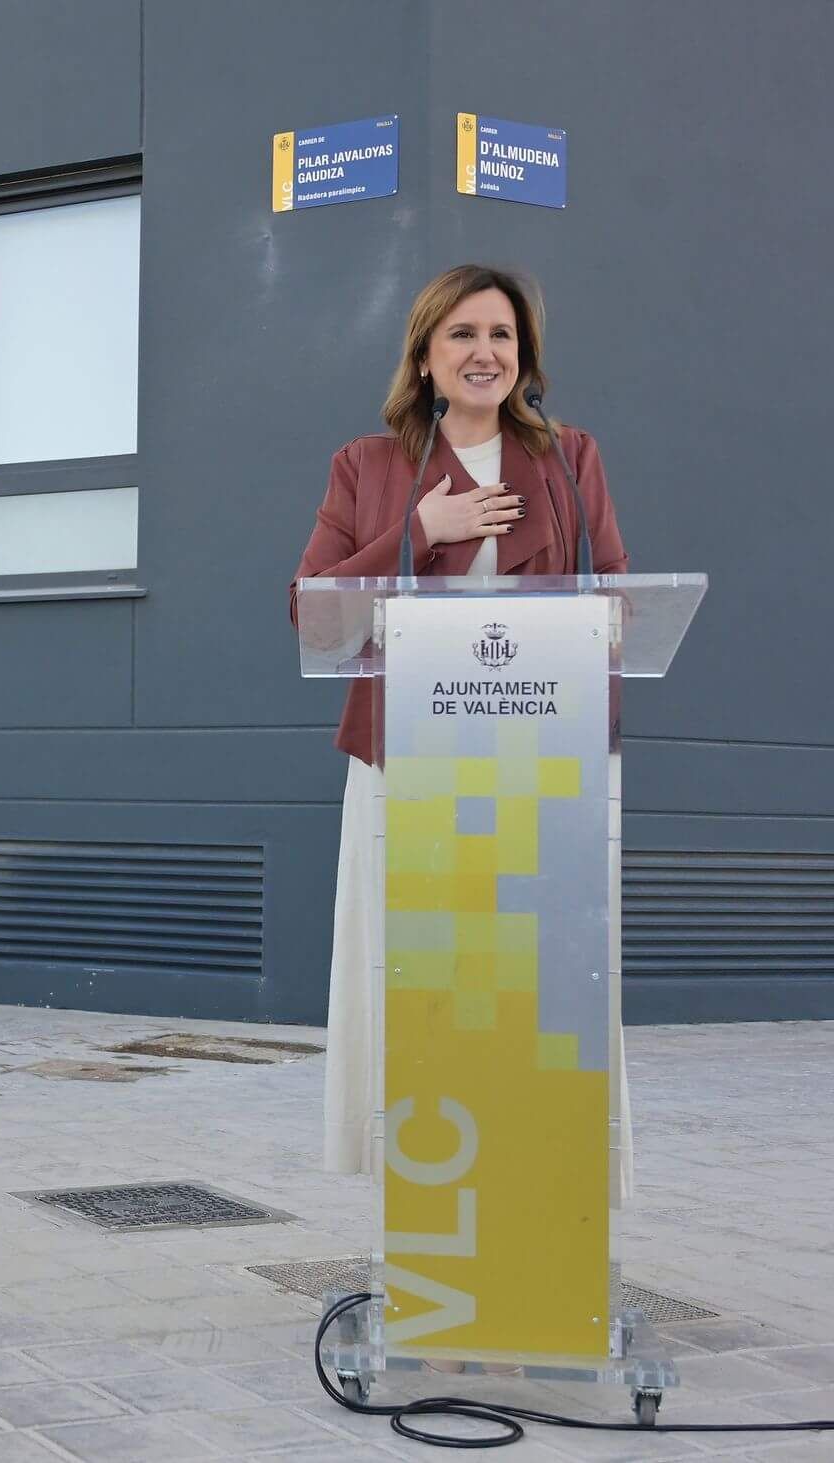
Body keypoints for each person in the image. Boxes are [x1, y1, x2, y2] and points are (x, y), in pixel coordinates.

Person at [289, 263, 633, 1199]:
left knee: (532, 1003)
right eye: (463, 335)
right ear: (426, 354)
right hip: (412, 770)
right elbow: (315, 615)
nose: (485, 352)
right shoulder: (367, 467)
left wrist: (594, 615)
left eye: (502, 336)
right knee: (426, 998)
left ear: (524, 358)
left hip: (540, 772)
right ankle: (437, 1204)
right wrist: (418, 529)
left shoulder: (571, 458)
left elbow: (617, 599)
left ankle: (533, 1209)